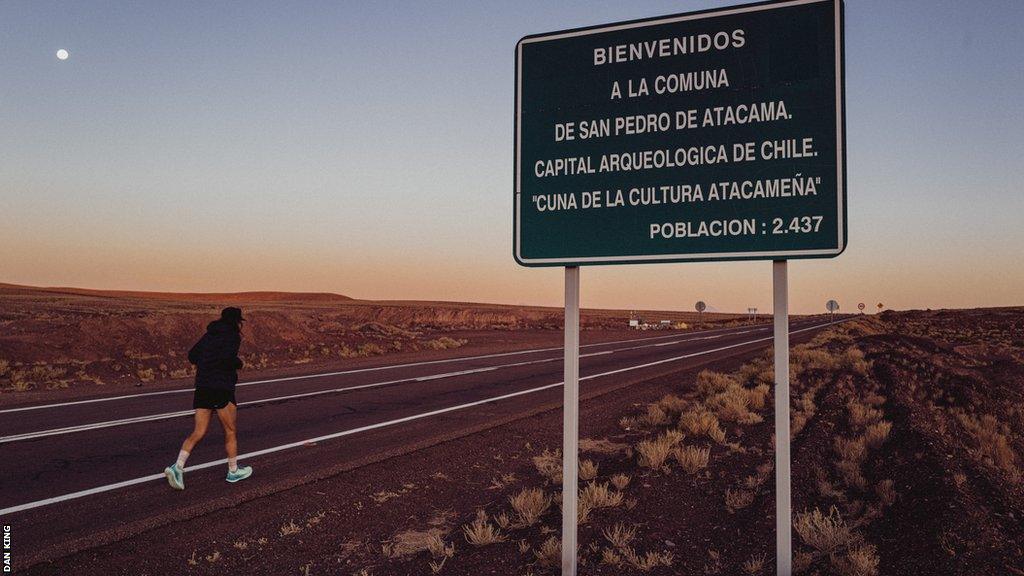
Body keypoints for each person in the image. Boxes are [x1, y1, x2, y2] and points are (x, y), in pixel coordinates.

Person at [165, 306, 252, 489]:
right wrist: (238, 363)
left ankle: (177, 466)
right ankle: (233, 471)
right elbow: (228, 359)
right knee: (230, 431)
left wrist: (207, 364)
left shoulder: (209, 334)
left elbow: (192, 355)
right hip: (221, 387)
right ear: (237, 321)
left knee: (199, 431)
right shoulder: (232, 336)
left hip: (203, 386)